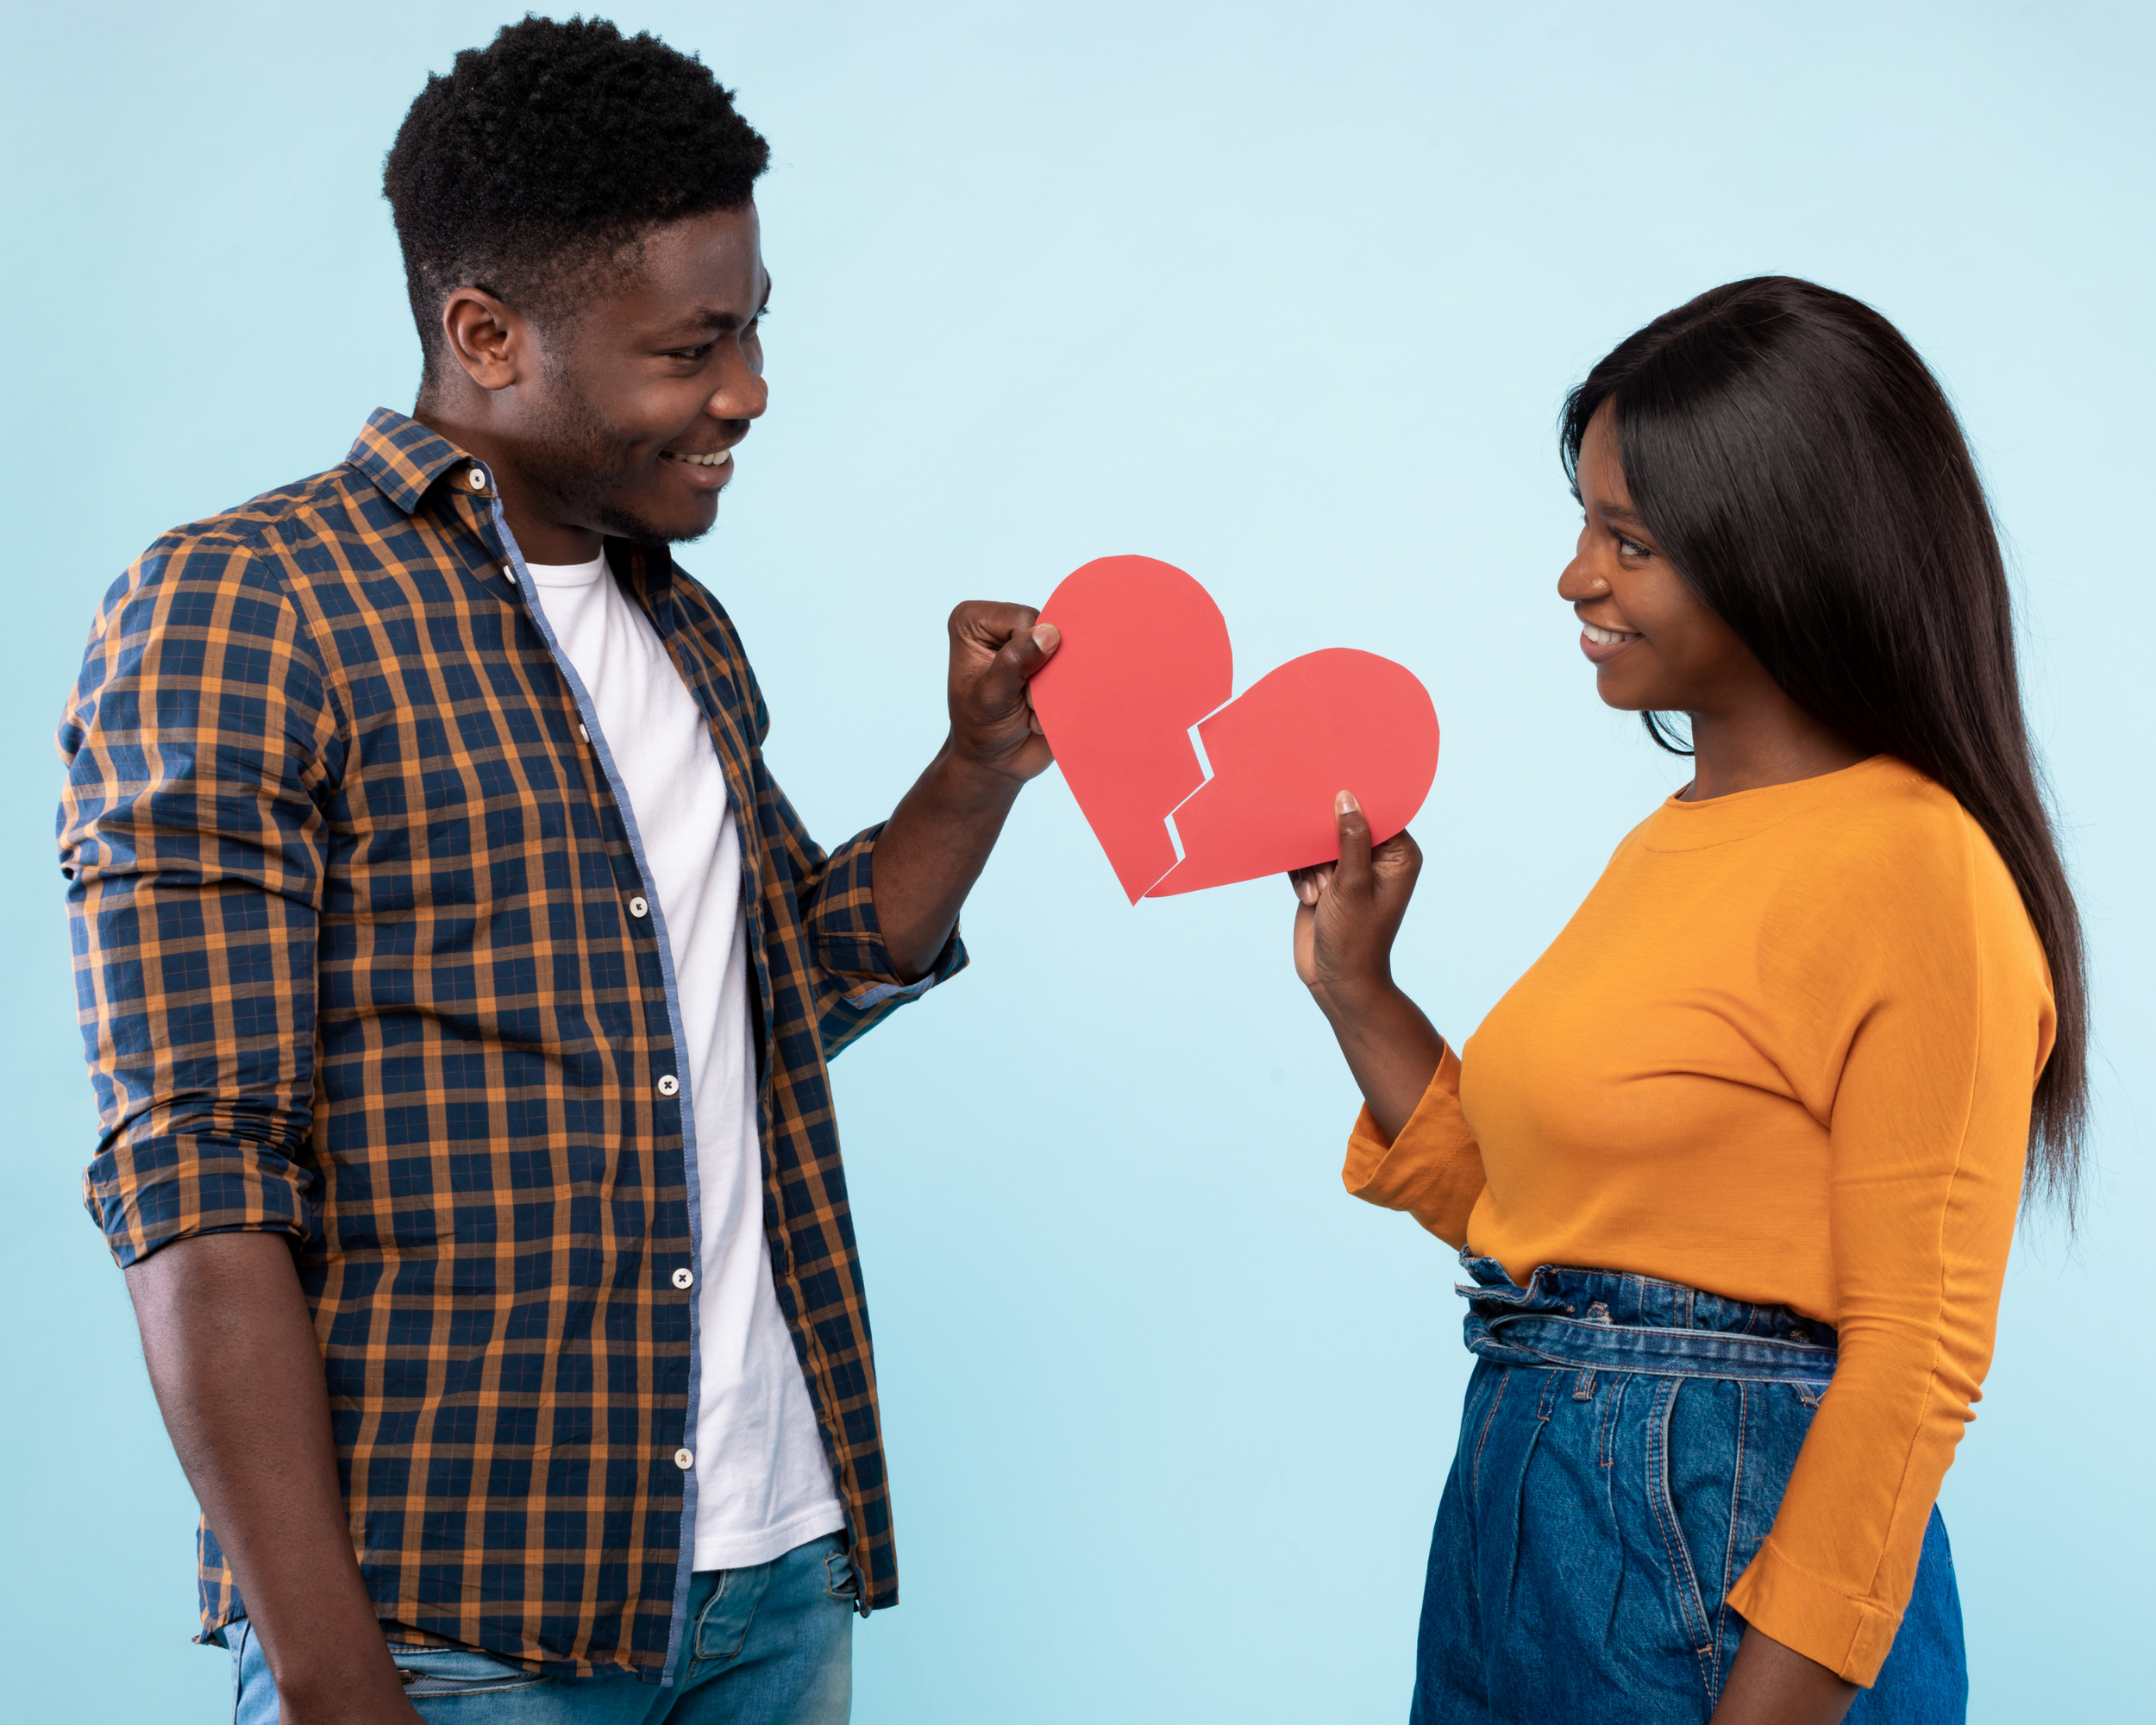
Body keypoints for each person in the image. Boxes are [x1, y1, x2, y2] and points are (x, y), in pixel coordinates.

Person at [58, 18, 1057, 1723]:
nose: (745, 390)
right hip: (457, 1626)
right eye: (693, 347)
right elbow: (198, 1163)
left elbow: (773, 998)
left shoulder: (679, 620)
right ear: (486, 334)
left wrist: (973, 770)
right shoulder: (248, 608)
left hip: (776, 1576)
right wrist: (319, 1667)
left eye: (752, 329)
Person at [1288, 276, 2084, 1725]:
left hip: (1713, 1560)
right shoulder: (1671, 841)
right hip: (1522, 1511)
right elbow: (1532, 1217)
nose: (1574, 576)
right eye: (1587, 520)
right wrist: (1358, 988)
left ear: (1787, 556)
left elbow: (1917, 1357)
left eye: (1629, 540)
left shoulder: (1919, 869)